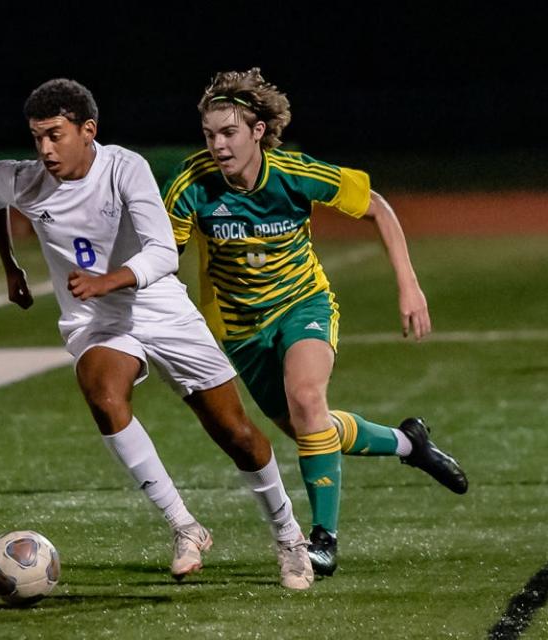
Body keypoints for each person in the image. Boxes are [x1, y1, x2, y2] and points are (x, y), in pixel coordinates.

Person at [0, 78, 314, 590]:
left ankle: (289, 537)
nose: (44, 149)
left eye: (55, 135)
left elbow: (161, 252)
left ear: (88, 130)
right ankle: (185, 526)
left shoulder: (124, 167)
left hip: (159, 308)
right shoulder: (23, 180)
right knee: (102, 393)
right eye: (36, 137)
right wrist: (10, 267)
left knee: (236, 435)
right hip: (98, 321)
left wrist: (107, 280)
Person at [162, 68, 468, 577]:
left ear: (258, 131)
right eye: (210, 134)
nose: (218, 145)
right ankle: (411, 443)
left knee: (307, 400)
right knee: (311, 428)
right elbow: (162, 258)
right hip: (239, 330)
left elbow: (378, 208)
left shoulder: (294, 172)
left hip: (303, 305)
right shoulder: (190, 185)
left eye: (229, 132)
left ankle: (322, 540)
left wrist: (409, 284)